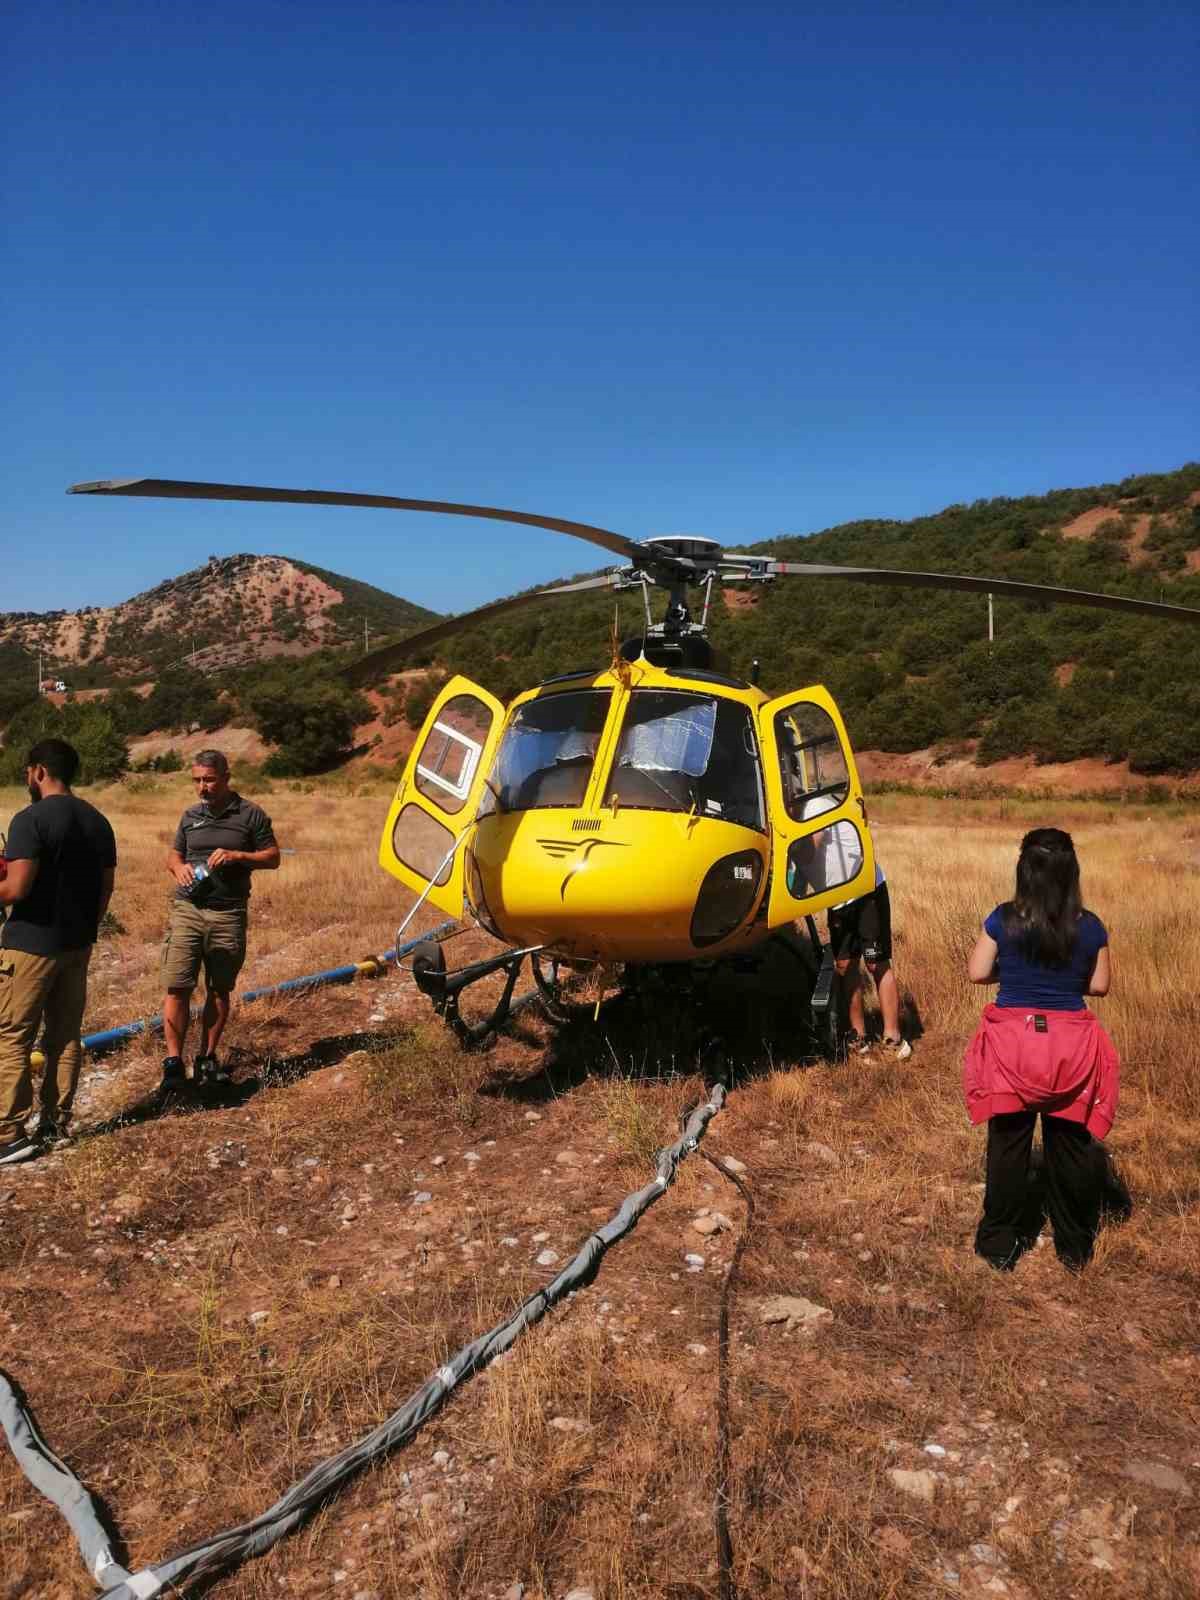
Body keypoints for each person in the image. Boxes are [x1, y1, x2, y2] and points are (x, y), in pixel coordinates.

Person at [964, 827, 1122, 1272]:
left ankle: (998, 1244)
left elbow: (977, 973)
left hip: (1012, 1044)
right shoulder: (1090, 926)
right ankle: (1074, 1247)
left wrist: (1009, 976)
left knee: (1009, 1143)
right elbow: (1100, 986)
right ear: (1072, 871)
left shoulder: (1003, 919)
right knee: (1070, 1145)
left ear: (1024, 869)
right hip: (1071, 1046)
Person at [0, 739, 117, 1164]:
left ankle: (8, 1134)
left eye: (28, 772)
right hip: (76, 945)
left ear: (38, 771)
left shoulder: (29, 819)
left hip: (31, 945)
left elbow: (15, 889)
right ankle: (55, 1123)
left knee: (12, 1035)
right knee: (65, 1036)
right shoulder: (98, 821)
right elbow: (105, 889)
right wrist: (85, 928)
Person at [160, 751, 279, 1089]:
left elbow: (273, 857)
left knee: (219, 988)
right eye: (197, 780)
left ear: (226, 777)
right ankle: (172, 1066)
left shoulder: (250, 814)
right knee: (178, 984)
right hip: (188, 910)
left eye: (209, 780)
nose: (202, 787)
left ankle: (207, 1060)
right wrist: (178, 867)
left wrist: (239, 855)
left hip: (228, 912)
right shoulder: (190, 816)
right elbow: (173, 854)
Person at [827, 860, 911, 1060]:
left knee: (876, 963)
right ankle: (858, 1038)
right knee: (845, 965)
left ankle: (893, 1039)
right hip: (835, 898)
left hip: (866, 889)